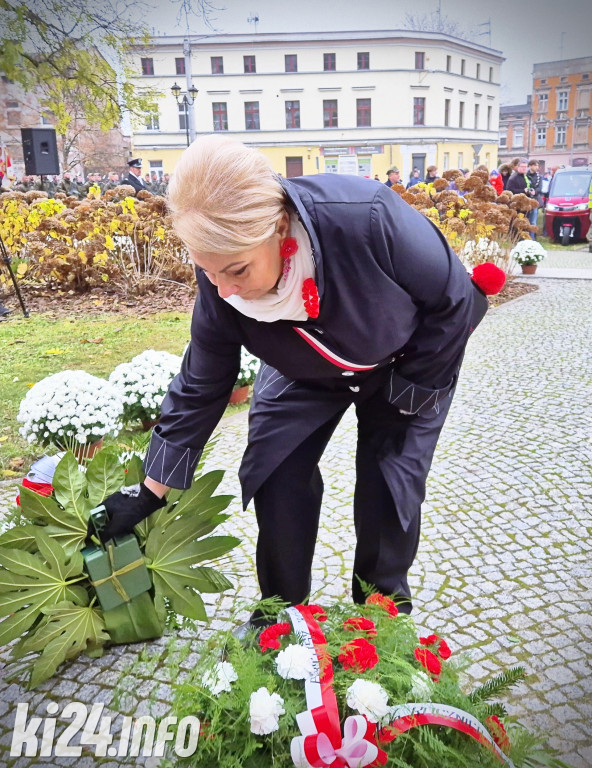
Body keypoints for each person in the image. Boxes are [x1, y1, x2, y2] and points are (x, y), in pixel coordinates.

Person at [94, 134, 492, 633]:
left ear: (279, 225)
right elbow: (204, 378)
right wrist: (151, 490)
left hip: (404, 362)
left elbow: (455, 301)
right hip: (301, 366)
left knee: (389, 482)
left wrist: (410, 393)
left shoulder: (367, 217)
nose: (224, 290)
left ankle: (383, 616)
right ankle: (280, 614)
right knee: (275, 470)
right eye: (208, 272)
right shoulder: (221, 272)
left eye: (237, 269)